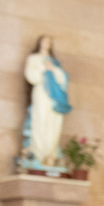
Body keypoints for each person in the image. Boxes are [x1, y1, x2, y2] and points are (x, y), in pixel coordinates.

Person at [23, 35, 71, 168]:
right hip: (42, 93)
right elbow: (31, 76)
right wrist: (43, 68)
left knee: (53, 123)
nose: (46, 44)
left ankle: (50, 154)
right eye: (44, 41)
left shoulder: (54, 61)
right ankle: (38, 154)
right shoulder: (34, 59)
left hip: (54, 97)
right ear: (39, 43)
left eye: (49, 42)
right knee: (40, 121)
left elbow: (62, 79)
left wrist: (53, 69)